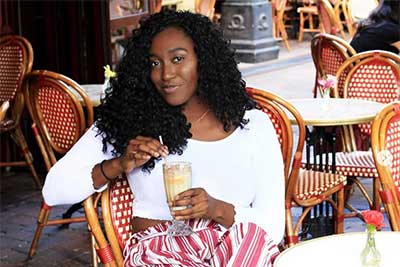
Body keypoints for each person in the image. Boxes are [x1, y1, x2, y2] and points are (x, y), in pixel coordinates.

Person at [42, 10, 285, 267]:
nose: (166, 74)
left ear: (204, 60)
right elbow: (53, 191)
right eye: (154, 63)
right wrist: (117, 165)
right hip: (161, 251)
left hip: (236, 251)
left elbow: (273, 227)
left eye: (178, 59)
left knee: (251, 240)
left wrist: (216, 209)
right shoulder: (130, 122)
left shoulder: (254, 127)